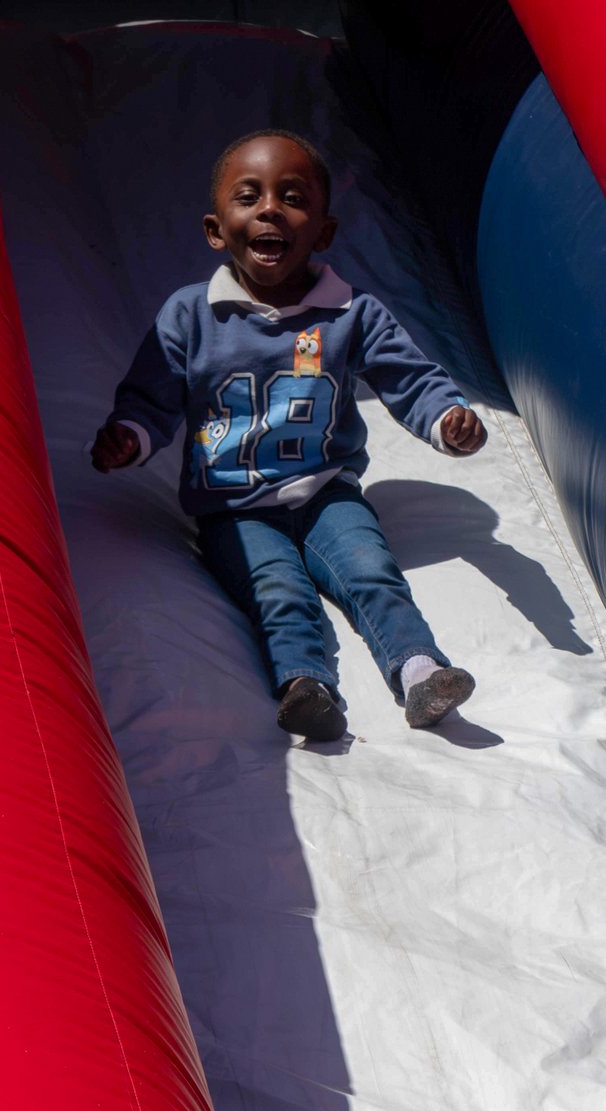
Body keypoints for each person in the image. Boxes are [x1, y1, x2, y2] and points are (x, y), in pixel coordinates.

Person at [91, 129, 486, 741]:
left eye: (293, 197)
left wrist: (446, 418)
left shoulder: (351, 313)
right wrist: (131, 434)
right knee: (275, 589)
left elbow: (409, 377)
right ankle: (306, 687)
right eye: (248, 197)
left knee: (370, 572)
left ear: (322, 232)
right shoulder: (193, 315)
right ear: (216, 230)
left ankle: (419, 672)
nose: (270, 208)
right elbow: (154, 391)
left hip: (327, 490)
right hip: (234, 507)